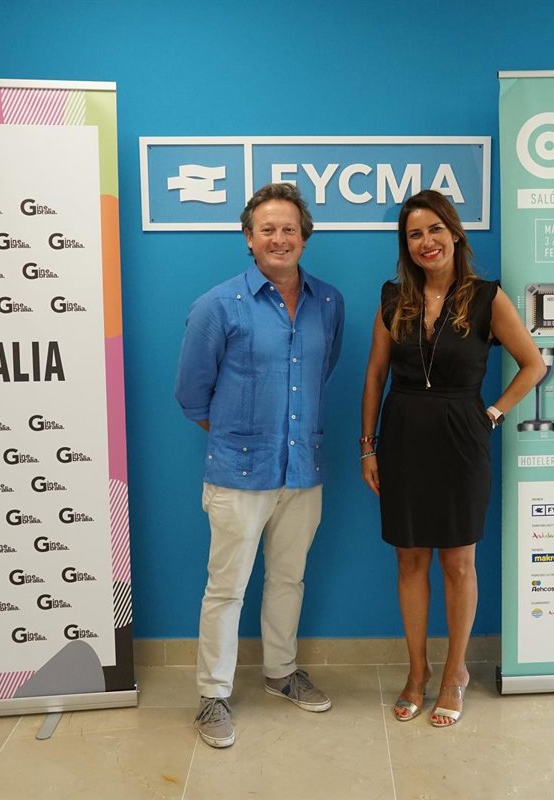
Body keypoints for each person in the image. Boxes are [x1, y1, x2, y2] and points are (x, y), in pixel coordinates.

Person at [360, 190, 544, 727]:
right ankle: (416, 672)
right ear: (406, 245)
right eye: (414, 234)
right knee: (410, 560)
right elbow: (375, 375)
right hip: (401, 439)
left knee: (458, 562)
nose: (426, 242)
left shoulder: (487, 297)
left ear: (455, 233)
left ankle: (454, 673)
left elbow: (533, 364)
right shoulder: (394, 298)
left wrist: (494, 413)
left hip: (463, 441)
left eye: (435, 230)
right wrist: (367, 446)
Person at [175, 183, 345, 748]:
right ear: (248, 238)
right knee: (226, 589)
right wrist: (244, 438)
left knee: (289, 578)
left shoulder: (329, 304)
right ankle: (213, 695)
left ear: (304, 237)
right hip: (238, 474)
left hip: (303, 470)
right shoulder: (217, 305)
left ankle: (281, 673)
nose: (279, 238)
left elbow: (319, 373)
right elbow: (192, 396)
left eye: (289, 229)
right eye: (267, 229)